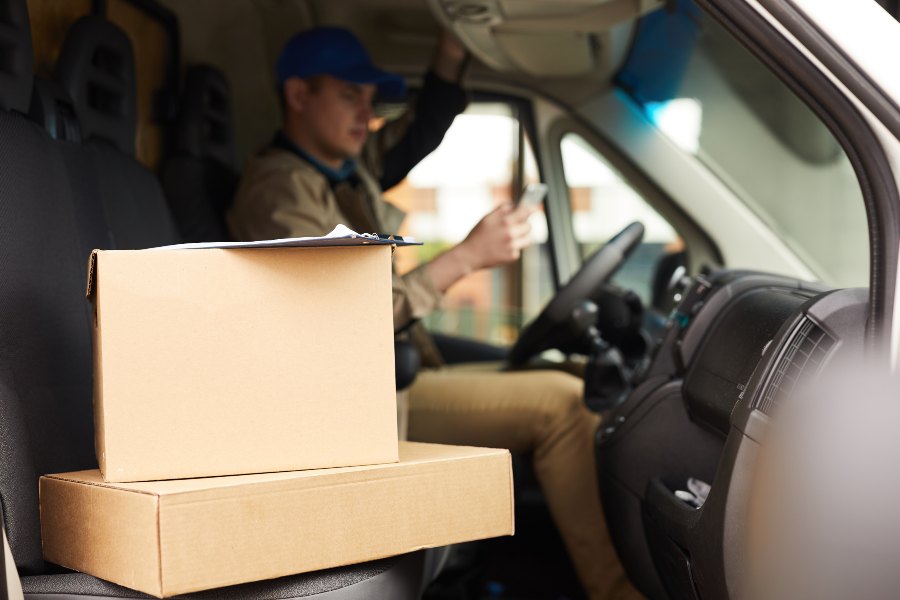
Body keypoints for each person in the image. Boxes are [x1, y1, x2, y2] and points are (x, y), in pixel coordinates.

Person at [227, 26, 640, 600]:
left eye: (372, 102)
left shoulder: (345, 168)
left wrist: (450, 48)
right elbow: (336, 319)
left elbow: (419, 129)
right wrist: (466, 257)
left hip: (395, 376)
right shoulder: (279, 192)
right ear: (298, 95)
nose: (366, 114)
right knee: (564, 407)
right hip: (357, 406)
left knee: (574, 378)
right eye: (351, 96)